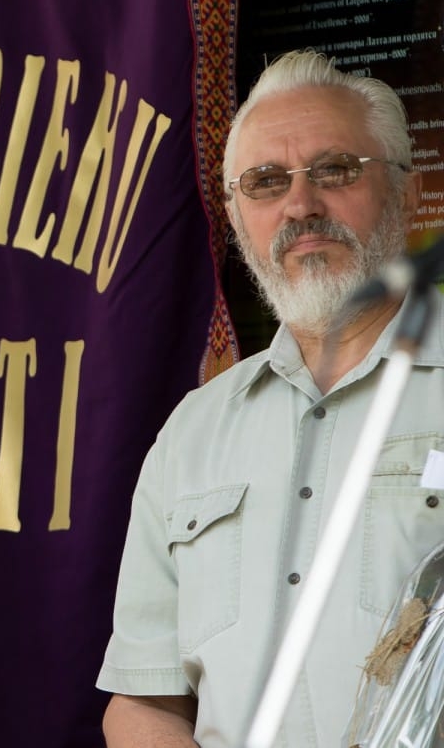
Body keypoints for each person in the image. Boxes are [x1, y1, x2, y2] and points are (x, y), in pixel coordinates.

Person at [96, 48, 444, 747]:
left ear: (408, 193)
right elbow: (144, 703)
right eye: (265, 181)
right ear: (234, 215)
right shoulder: (191, 434)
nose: (300, 204)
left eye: (336, 170)